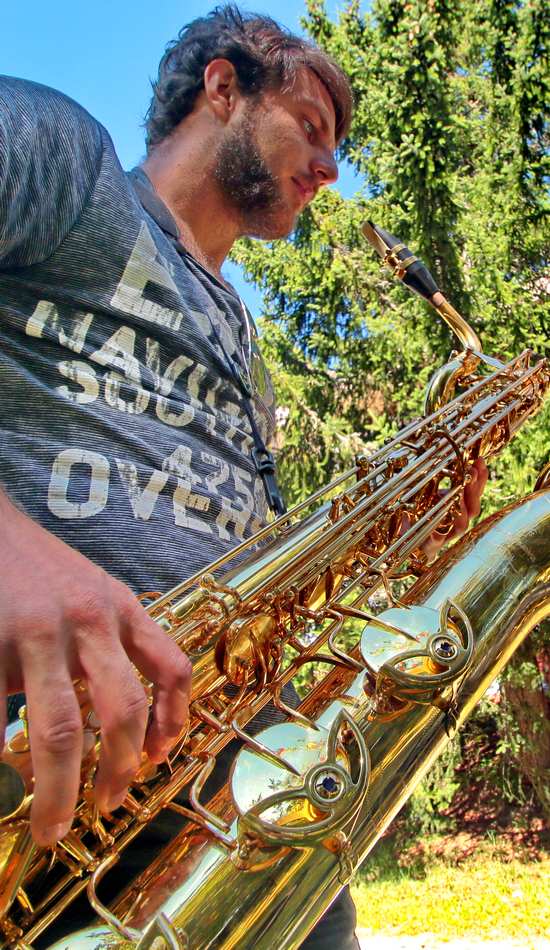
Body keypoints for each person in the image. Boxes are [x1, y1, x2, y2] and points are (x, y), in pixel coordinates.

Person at [0, 5, 486, 947]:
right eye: (311, 126)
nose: (331, 167)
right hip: (48, 756)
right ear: (222, 88)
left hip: (240, 793)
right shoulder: (68, 157)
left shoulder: (244, 346)